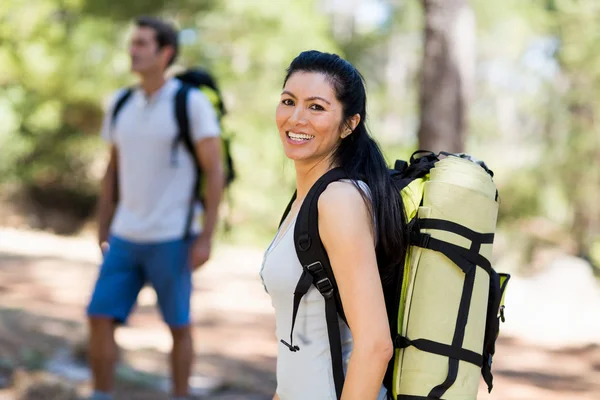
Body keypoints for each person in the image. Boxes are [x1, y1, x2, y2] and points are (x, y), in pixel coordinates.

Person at [86, 16, 224, 400]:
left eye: (142, 44)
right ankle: (101, 394)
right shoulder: (121, 102)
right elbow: (112, 169)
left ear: (165, 53)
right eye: (132, 43)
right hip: (125, 234)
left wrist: (207, 237)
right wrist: (103, 226)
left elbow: (215, 171)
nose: (133, 50)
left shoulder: (190, 103)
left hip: (173, 237)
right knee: (98, 316)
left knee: (177, 324)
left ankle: (180, 396)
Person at [260, 50, 408, 400]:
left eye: (316, 107)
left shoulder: (338, 201)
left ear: (349, 124)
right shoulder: (304, 201)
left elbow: (374, 345)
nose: (296, 118)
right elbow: (301, 341)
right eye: (288, 101)